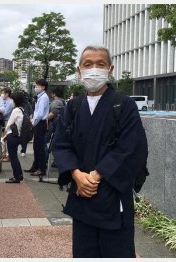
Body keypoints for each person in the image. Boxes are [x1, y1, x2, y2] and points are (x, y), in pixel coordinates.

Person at [52, 46, 148, 258]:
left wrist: (95, 176)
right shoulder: (73, 106)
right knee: (84, 252)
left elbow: (131, 147)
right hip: (81, 195)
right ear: (79, 70)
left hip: (111, 196)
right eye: (88, 64)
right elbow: (60, 144)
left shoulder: (124, 105)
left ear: (110, 69)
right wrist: (76, 175)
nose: (94, 69)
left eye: (100, 64)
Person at [24, 79, 49, 177]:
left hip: (40, 123)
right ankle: (35, 166)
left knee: (40, 147)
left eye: (37, 85)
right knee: (36, 146)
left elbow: (40, 114)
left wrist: (32, 124)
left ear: (43, 87)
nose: (35, 87)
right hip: (38, 123)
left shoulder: (43, 97)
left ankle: (41, 169)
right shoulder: (40, 96)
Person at [2, 91, 25, 183]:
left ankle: (17, 177)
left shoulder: (16, 110)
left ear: (15, 100)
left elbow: (9, 124)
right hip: (18, 136)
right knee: (14, 156)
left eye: (12, 99)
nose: (11, 101)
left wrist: (4, 133)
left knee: (13, 157)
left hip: (12, 136)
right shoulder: (22, 109)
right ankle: (19, 175)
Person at [0, 87, 14, 162]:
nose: (2, 95)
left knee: (6, 138)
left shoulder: (10, 102)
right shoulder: (4, 101)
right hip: (4, 121)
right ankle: (4, 154)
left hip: (7, 121)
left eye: (3, 93)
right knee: (3, 139)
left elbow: (5, 113)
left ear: (7, 94)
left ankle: (8, 155)